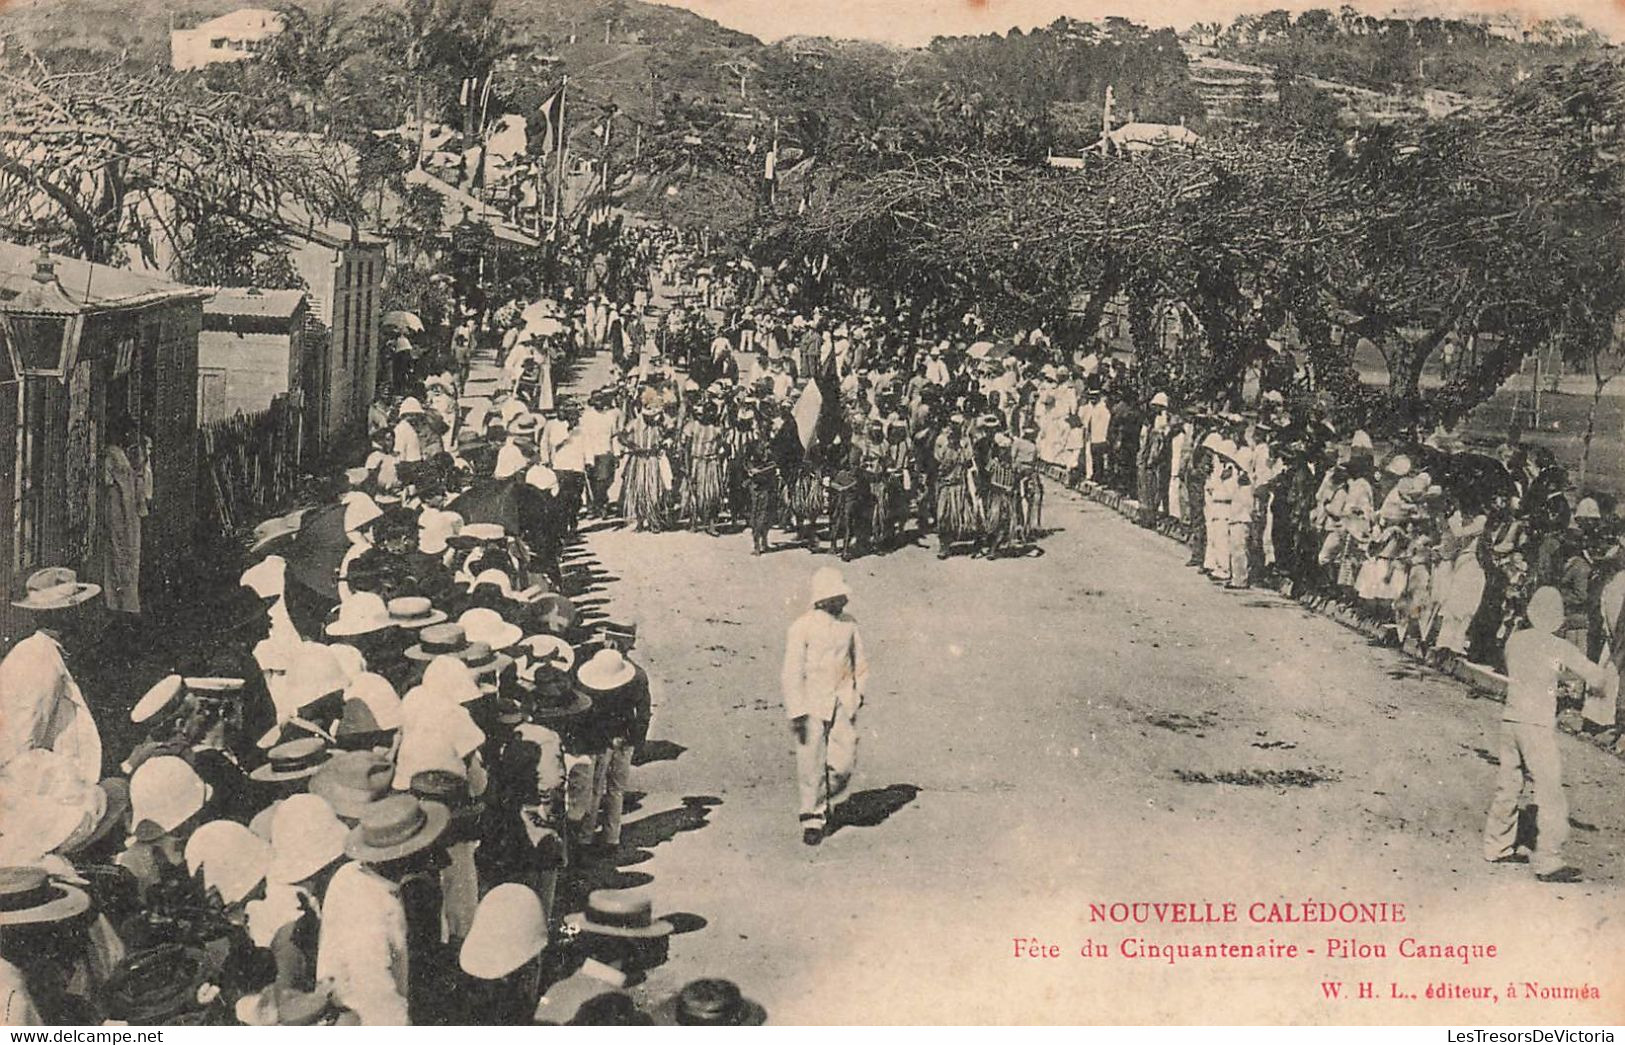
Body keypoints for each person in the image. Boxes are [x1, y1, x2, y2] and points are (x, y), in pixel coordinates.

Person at [1482, 587, 1617, 882]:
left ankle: (1497, 845)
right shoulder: (1559, 646)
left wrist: (1556, 680)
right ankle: (1548, 859)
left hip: (1511, 718)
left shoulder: (1516, 640)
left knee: (1508, 785)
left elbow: (1535, 671)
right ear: (1557, 618)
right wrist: (1602, 673)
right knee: (1550, 791)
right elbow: (1595, 678)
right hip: (1537, 725)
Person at [780, 567, 869, 846]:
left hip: (842, 701)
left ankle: (827, 797)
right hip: (811, 703)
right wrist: (796, 710)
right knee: (810, 762)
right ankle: (812, 818)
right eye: (839, 596)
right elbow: (791, 671)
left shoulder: (849, 625)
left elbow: (861, 663)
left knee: (844, 760)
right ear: (824, 598)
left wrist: (858, 693)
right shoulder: (801, 627)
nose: (844, 601)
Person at [0, 568, 103, 782]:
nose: (85, 617)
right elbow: (21, 742)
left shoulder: (48, 652)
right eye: (77, 610)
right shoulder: (37, 659)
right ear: (61, 615)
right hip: (37, 791)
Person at [98, 420, 143, 616]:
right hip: (117, 507)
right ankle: (119, 602)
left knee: (124, 552)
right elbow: (108, 481)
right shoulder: (113, 454)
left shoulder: (123, 454)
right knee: (120, 552)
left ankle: (124, 600)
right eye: (129, 433)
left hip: (125, 510)